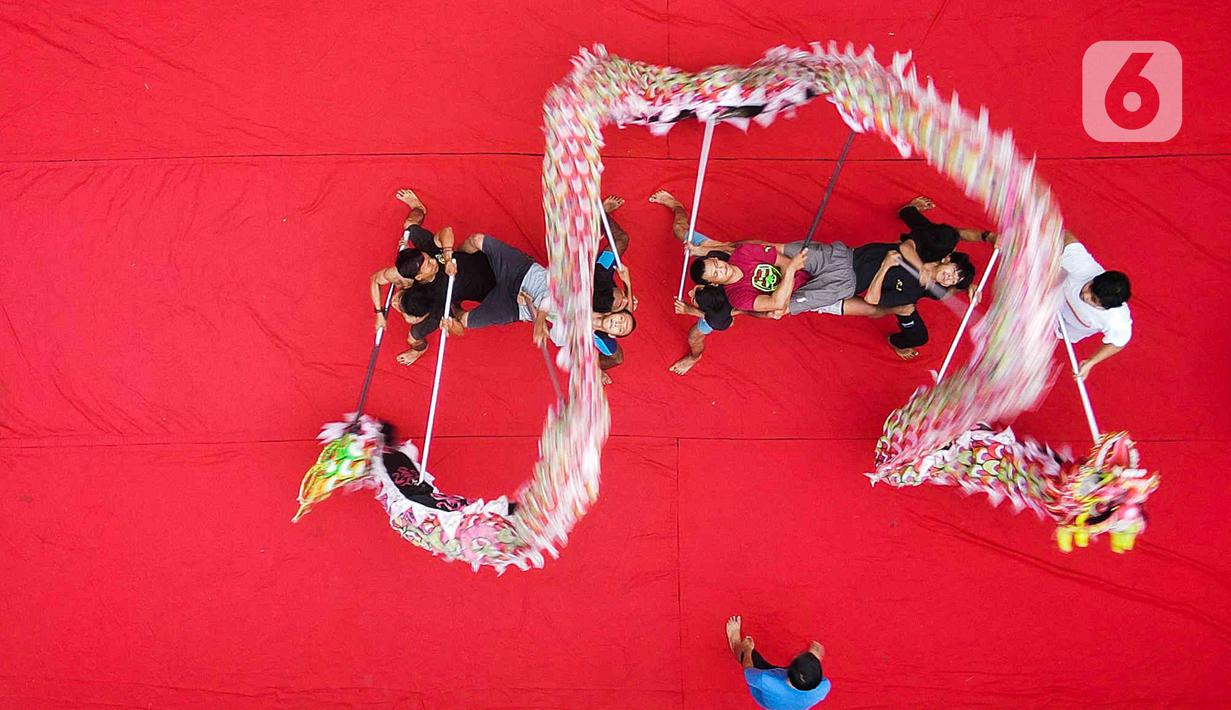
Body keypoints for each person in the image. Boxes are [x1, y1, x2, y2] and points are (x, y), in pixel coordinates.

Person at [368, 189, 496, 366]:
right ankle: (421, 349)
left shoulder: (426, 257)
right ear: (418, 278)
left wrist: (448, 257)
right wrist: (450, 324)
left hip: (477, 262)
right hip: (487, 291)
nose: (432, 262)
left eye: (427, 259)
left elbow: (446, 232)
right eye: (428, 265)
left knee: (409, 225)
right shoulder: (433, 302)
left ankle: (418, 207)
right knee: (413, 340)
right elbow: (459, 331)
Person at [1057, 230, 1132, 379]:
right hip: (1051, 296)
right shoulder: (1082, 266)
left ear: (1105, 307)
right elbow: (1063, 235)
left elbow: (1119, 342)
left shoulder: (1116, 320)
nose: (1085, 296)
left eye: (1093, 300)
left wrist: (1092, 362)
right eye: (1090, 287)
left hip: (1066, 328)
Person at [726, 615, 831, 709]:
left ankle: (736, 645)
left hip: (765, 700)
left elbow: (748, 671)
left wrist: (748, 649)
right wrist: (812, 660)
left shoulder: (767, 680)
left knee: (749, 657)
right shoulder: (824, 687)